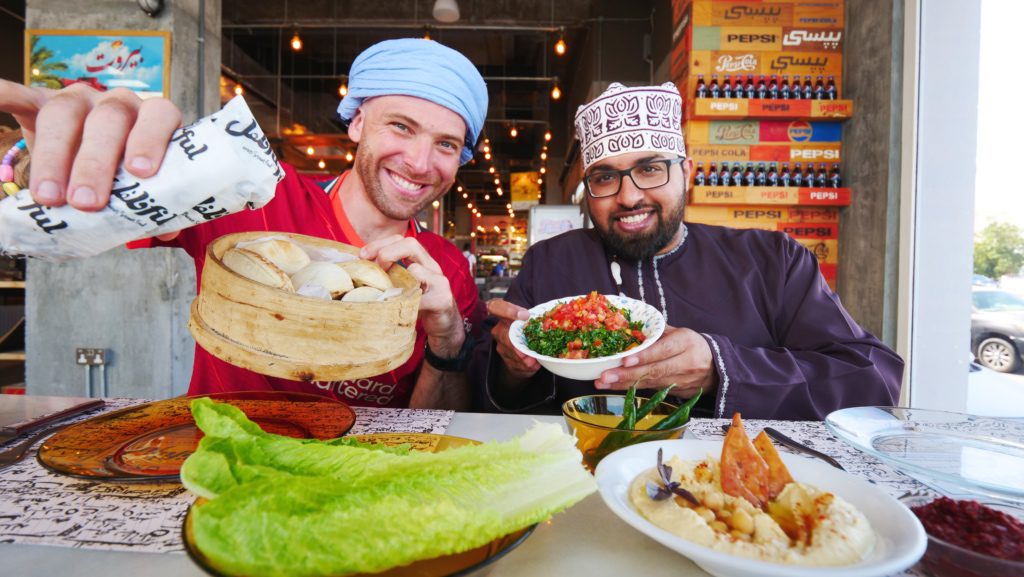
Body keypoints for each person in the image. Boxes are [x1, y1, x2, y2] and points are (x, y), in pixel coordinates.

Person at [0, 38, 487, 410]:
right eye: (400, 126)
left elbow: (433, 428)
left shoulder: (448, 273)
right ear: (357, 122)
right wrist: (45, 158)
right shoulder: (253, 192)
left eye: (446, 144)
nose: (421, 162)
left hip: (362, 493)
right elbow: (83, 201)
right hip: (222, 480)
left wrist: (447, 338)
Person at [472, 82, 903, 420]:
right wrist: (512, 367)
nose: (628, 197)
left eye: (650, 169)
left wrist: (722, 368)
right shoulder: (549, 262)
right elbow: (490, 398)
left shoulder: (773, 260)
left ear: (687, 173)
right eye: (605, 178)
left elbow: (874, 378)